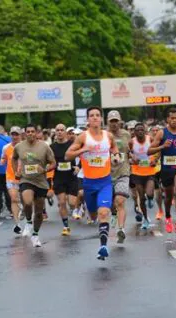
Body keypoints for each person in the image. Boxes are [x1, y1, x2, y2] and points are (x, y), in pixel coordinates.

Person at [66, 106, 120, 260]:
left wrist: (116, 156)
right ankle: (92, 215)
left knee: (104, 212)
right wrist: (82, 151)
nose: (95, 118)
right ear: (88, 119)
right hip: (89, 183)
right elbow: (68, 155)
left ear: (101, 118)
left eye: (97, 115)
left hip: (105, 182)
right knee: (94, 214)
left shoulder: (108, 136)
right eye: (92, 115)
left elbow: (114, 148)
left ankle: (103, 246)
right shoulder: (83, 137)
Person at [12, 124, 56, 247]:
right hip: (26, 179)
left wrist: (45, 169)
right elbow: (14, 158)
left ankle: (35, 235)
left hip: (41, 182)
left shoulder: (44, 147)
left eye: (32, 131)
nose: (30, 133)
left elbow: (53, 163)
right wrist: (16, 171)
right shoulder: (19, 147)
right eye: (28, 132)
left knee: (38, 212)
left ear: (36, 133)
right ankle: (28, 221)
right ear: (25, 133)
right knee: (27, 201)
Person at [148, 107, 176, 234]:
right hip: (167, 169)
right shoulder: (162, 133)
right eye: (172, 118)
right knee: (168, 196)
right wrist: (162, 146)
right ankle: (167, 217)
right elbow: (149, 150)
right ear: (167, 119)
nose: (174, 121)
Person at [107, 110, 132, 242]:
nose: (114, 124)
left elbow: (129, 150)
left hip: (123, 172)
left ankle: (121, 229)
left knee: (120, 201)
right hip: (107, 174)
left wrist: (132, 157)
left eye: (116, 121)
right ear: (108, 122)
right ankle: (114, 213)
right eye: (112, 121)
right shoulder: (104, 135)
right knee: (112, 203)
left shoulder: (126, 135)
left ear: (120, 121)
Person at [129, 123, 158, 232]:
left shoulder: (150, 139)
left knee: (149, 193)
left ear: (145, 131)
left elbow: (158, 150)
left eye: (142, 130)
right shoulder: (132, 142)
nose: (140, 132)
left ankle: (150, 198)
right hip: (137, 172)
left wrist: (155, 160)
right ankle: (145, 219)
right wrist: (132, 158)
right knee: (141, 196)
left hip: (149, 171)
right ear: (135, 132)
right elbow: (128, 153)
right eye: (138, 130)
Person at [50, 123, 78, 236]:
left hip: (71, 177)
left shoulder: (72, 145)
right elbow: (48, 160)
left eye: (62, 130)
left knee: (71, 203)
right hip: (59, 178)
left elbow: (81, 157)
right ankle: (66, 226)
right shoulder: (52, 147)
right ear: (55, 133)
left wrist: (78, 166)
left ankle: (76, 209)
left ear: (66, 132)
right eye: (58, 130)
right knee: (62, 202)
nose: (60, 132)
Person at [0, 126, 23, 234]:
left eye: (16, 134)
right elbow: (3, 158)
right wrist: (2, 160)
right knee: (14, 199)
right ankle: (17, 224)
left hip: (24, 178)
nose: (14, 136)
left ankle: (25, 212)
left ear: (20, 135)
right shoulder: (6, 147)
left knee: (26, 201)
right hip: (11, 177)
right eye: (13, 134)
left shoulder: (25, 146)